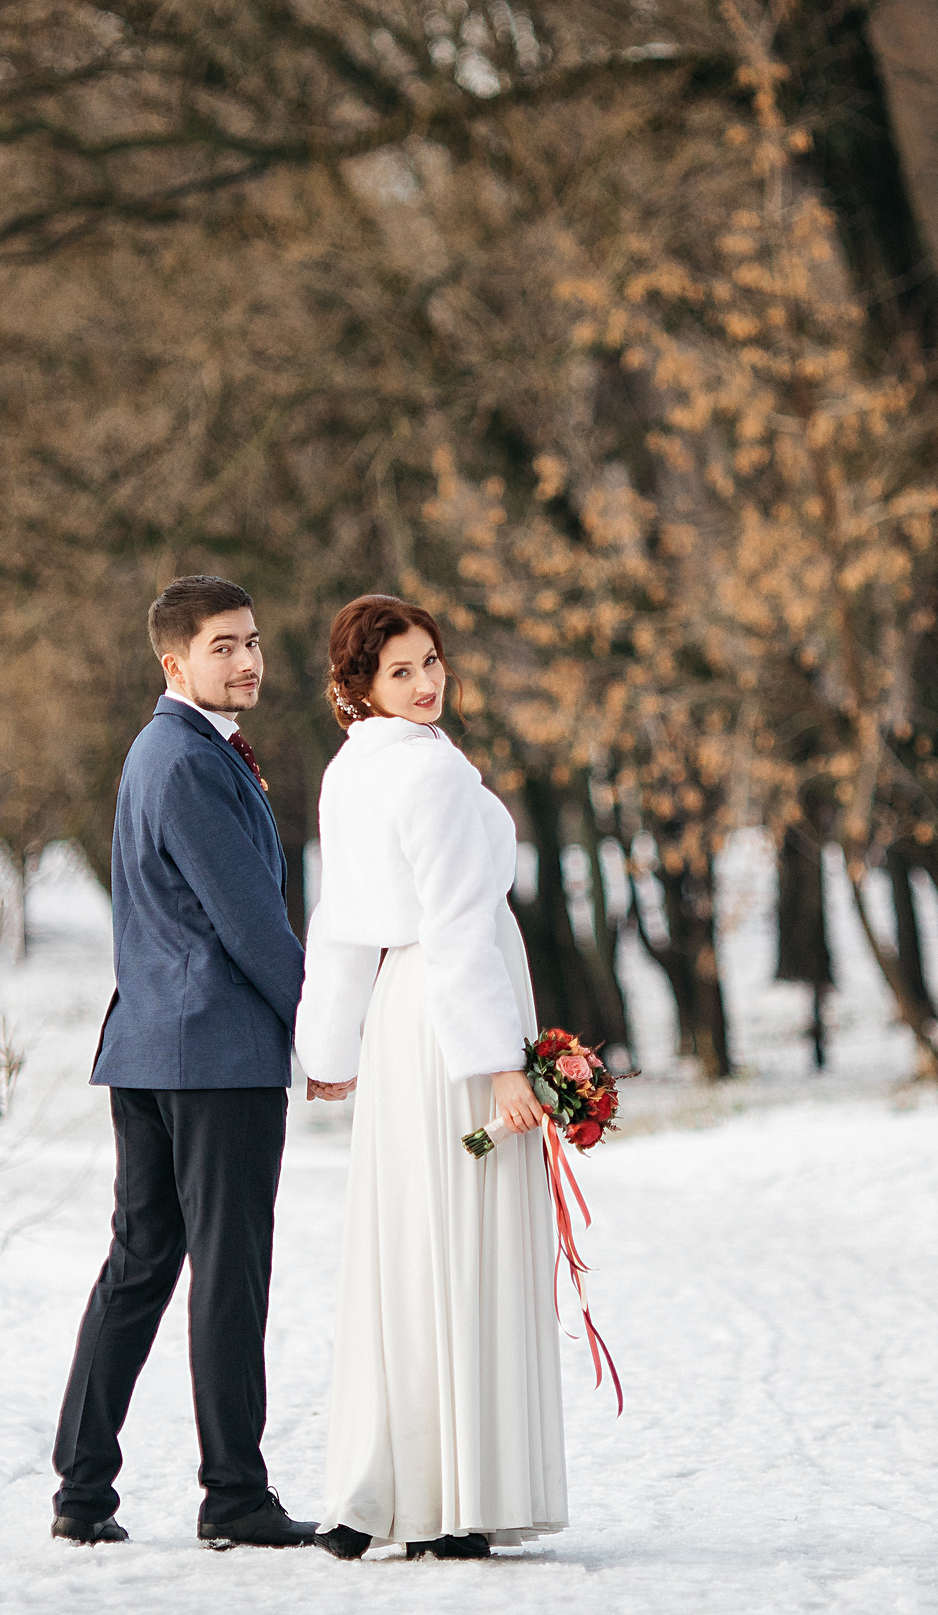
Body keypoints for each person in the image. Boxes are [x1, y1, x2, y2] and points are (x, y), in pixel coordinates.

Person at [294, 594, 568, 1561]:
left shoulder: (349, 770)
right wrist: (500, 1067)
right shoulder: (431, 771)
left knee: (410, 1246)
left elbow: (338, 923)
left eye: (433, 661)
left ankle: (390, 1489)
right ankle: (458, 1497)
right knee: (461, 1243)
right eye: (402, 670)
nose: (427, 682)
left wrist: (329, 1050)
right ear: (359, 686)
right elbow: (456, 928)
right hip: (455, 1028)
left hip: (399, 1022)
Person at [50, 575, 317, 1551]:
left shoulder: (161, 751)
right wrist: (322, 1031)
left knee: (141, 1263)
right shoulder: (190, 762)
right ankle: (234, 1497)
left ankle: (82, 1491)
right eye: (222, 646)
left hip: (151, 1046)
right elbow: (250, 921)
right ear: (175, 663)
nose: (246, 660)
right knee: (228, 1272)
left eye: (252, 641)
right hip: (217, 1055)